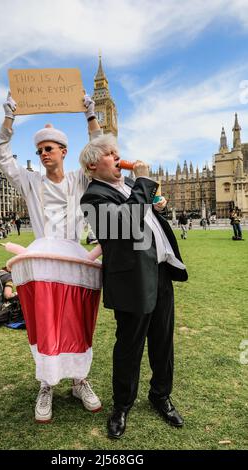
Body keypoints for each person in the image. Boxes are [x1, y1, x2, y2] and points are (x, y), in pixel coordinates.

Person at [0, 91, 103, 423]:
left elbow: (99, 151)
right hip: (42, 260)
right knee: (46, 324)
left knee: (78, 322)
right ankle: (46, 385)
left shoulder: (79, 179)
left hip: (75, 260)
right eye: (39, 150)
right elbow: (1, 155)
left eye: (48, 149)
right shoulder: (30, 182)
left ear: (64, 152)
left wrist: (89, 114)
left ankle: (79, 381)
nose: (42, 154)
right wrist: (10, 118)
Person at [80, 134, 188, 439]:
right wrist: (143, 182)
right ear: (92, 164)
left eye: (117, 151)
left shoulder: (129, 186)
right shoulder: (92, 197)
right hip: (132, 280)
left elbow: (146, 218)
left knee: (163, 340)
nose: (118, 157)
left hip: (161, 272)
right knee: (129, 346)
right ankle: (122, 405)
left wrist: (159, 205)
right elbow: (125, 225)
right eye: (110, 153)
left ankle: (160, 395)